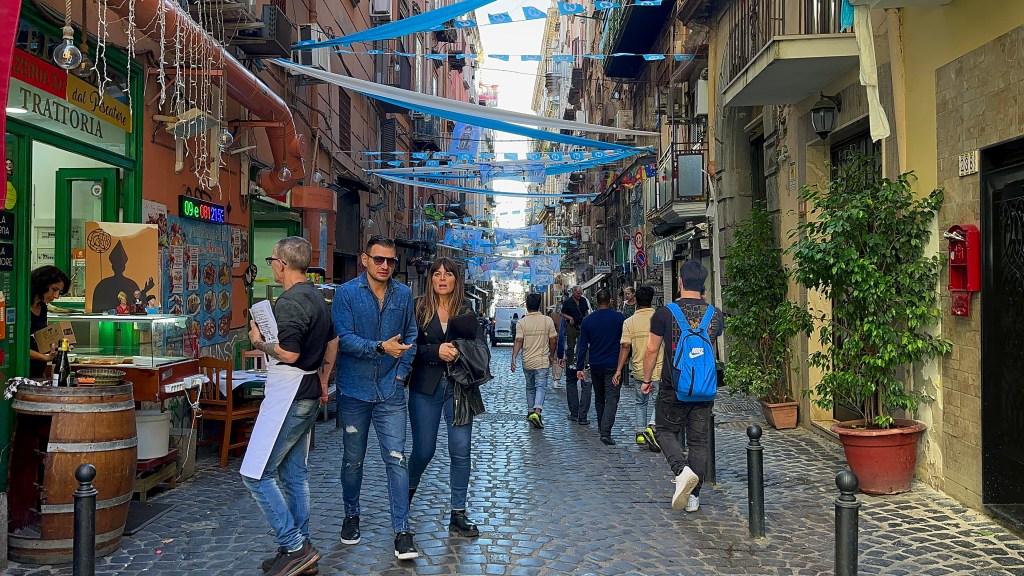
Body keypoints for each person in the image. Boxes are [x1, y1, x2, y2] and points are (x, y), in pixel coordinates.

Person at [244, 236, 338, 576]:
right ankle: (299, 549)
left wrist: (259, 343)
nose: (272, 266)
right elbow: (333, 341)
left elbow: (290, 354)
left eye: (272, 261)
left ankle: (295, 545)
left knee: (256, 474)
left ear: (282, 264)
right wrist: (323, 380)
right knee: (294, 474)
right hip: (308, 391)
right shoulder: (317, 295)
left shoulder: (290, 301)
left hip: (290, 393)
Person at [332, 235, 420, 560]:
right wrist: (380, 348)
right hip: (354, 390)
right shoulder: (346, 294)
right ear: (365, 259)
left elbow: (411, 336)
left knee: (397, 459)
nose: (385, 266)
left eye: (390, 261)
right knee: (353, 459)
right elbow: (344, 339)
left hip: (390, 390)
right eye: (379, 259)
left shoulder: (404, 294)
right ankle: (351, 515)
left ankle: (402, 531)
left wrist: (400, 374)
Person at [408, 257, 484, 538]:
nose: (442, 278)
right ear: (430, 278)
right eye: (437, 274)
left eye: (448, 274)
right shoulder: (418, 308)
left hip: (459, 388)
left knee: (461, 450)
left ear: (456, 279)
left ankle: (458, 514)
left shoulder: (466, 309)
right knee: (423, 450)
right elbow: (407, 348)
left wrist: (461, 350)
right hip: (425, 387)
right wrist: (435, 351)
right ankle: (404, 500)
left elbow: (480, 347)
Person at [642, 260, 724, 513]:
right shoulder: (715, 315)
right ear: (703, 285)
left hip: (673, 386)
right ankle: (693, 498)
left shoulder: (665, 313)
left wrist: (647, 380)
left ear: (680, 282)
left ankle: (681, 470)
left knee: (664, 430)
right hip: (703, 388)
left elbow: (652, 350)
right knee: (699, 442)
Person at [612, 286, 662, 451]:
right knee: (659, 400)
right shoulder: (659, 318)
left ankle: (640, 433)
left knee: (640, 401)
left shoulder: (629, 322)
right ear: (652, 300)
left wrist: (619, 370)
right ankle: (652, 425)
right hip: (658, 367)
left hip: (639, 368)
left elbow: (625, 346)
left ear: (636, 301)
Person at [575, 289, 625, 445]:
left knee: (599, 397)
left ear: (596, 302)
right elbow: (625, 342)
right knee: (612, 398)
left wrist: (579, 367)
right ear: (610, 301)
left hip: (595, 363)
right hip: (613, 363)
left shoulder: (588, 320)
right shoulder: (619, 318)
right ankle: (605, 430)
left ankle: (601, 425)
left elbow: (582, 345)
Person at [510, 293, 557, 429]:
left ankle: (531, 411)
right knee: (541, 386)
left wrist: (514, 357)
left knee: (530, 387)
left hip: (528, 360)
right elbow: (553, 340)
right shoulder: (547, 320)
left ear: (526, 305)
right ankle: (537, 411)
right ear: (539, 305)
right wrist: (551, 355)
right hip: (542, 360)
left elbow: (519, 340)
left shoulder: (522, 322)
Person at [29, 266, 70, 378]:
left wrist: (59, 346)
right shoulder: (22, 305)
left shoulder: (42, 307)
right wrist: (45, 357)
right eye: (54, 289)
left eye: (59, 292)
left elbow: (41, 338)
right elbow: (18, 346)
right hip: (21, 369)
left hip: (38, 371)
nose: (56, 296)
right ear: (41, 284)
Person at [559, 286, 589, 368]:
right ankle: (570, 363)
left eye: (581, 293)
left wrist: (586, 320)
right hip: (571, 326)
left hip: (581, 326)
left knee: (583, 344)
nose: (579, 295)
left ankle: (583, 362)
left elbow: (586, 312)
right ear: (573, 292)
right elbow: (562, 313)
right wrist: (570, 318)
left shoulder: (583, 300)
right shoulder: (568, 302)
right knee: (571, 346)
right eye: (578, 293)